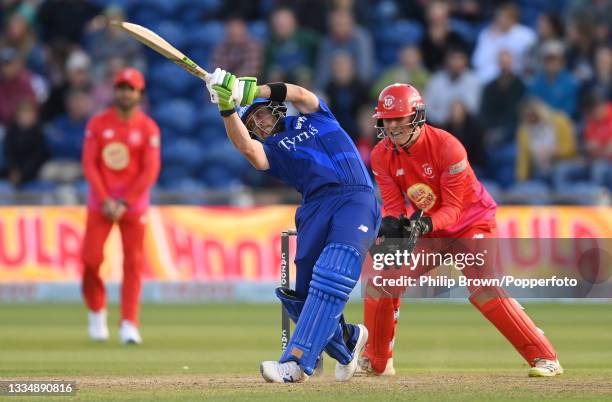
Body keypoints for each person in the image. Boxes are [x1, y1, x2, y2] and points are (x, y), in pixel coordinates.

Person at [360, 83, 563, 377]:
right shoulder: (381, 154)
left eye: (399, 118)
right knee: (382, 281)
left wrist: (424, 223)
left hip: (471, 223)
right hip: (429, 231)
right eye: (387, 120)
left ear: (417, 116)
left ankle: (546, 358)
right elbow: (393, 207)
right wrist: (392, 228)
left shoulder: (447, 146)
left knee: (482, 288)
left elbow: (454, 209)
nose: (392, 126)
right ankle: (378, 362)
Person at [205, 67, 380, 383]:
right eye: (252, 123)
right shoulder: (270, 149)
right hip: (314, 207)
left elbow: (301, 94)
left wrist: (252, 92)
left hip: (355, 196)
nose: (258, 123)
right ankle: (349, 341)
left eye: (260, 115)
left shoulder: (317, 117)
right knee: (300, 297)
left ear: (274, 109)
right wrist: (227, 107)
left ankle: (296, 364)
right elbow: (247, 150)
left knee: (332, 273)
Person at [81, 68, 160, 345]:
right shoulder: (98, 124)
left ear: (139, 93)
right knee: (90, 260)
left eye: (131, 88)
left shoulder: (148, 127)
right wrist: (105, 199)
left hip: (132, 205)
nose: (125, 93)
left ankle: (129, 322)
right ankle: (96, 311)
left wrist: (125, 202)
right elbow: (90, 165)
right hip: (100, 203)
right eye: (121, 87)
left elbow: (150, 171)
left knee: (133, 264)